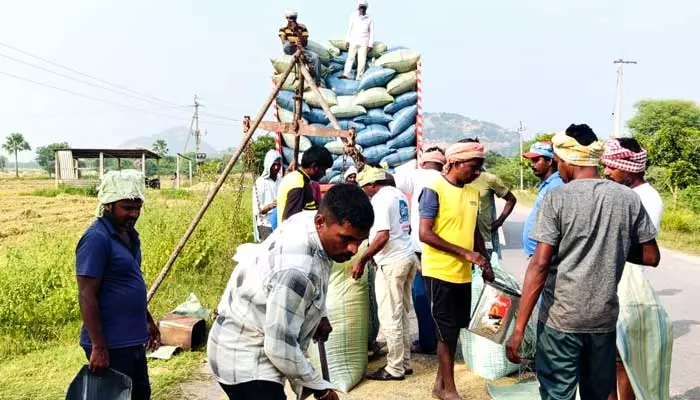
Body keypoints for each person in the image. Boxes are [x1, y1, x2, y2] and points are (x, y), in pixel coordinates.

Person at [505, 124, 661, 400]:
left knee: (557, 394)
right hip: (602, 320)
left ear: (567, 161)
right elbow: (651, 256)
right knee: (598, 394)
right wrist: (613, 246)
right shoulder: (627, 198)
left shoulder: (557, 197)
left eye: (558, 162)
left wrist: (519, 328)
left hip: (561, 321)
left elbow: (539, 266)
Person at [207, 184, 374, 400]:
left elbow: (320, 269)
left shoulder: (307, 222)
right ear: (320, 222)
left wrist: (320, 316)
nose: (353, 249)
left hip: (246, 338)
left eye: (359, 241)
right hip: (244, 357)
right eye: (346, 239)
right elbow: (279, 346)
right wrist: (320, 387)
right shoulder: (297, 271)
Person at [418, 140, 494, 400]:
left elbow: (473, 232)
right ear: (456, 163)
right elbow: (425, 234)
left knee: (452, 333)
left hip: (463, 273)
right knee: (444, 332)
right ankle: (449, 390)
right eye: (474, 167)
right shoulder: (434, 188)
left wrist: (484, 261)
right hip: (439, 272)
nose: (477, 173)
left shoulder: (473, 193)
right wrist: (466, 254)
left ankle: (440, 386)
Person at [75, 170, 161, 400]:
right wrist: (99, 346)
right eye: (126, 207)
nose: (133, 214)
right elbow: (86, 295)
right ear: (108, 205)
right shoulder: (97, 238)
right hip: (111, 343)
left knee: (140, 394)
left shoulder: (130, 236)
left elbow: (127, 284)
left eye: (137, 207)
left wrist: (147, 319)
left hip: (133, 338)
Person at [602, 137, 665, 400]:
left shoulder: (645, 198)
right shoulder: (624, 193)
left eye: (612, 167)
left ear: (629, 167)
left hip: (627, 285)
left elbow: (643, 250)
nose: (606, 172)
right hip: (612, 280)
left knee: (621, 360)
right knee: (606, 358)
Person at [351, 167, 420, 381]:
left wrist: (362, 259)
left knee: (390, 315)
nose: (365, 193)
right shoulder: (398, 194)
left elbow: (382, 235)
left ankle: (394, 368)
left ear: (372, 185)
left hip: (392, 263)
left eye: (365, 188)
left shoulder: (380, 199)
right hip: (407, 257)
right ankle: (404, 362)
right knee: (402, 313)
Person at [393, 147, 446, 355]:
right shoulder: (446, 179)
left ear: (423, 163)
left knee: (421, 297)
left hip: (420, 248)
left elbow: (390, 181)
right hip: (443, 248)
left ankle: (427, 341)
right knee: (441, 298)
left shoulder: (417, 175)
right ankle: (442, 339)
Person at [467, 139, 517, 260]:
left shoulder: (489, 179)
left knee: (486, 272)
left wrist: (499, 222)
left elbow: (511, 199)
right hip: (462, 239)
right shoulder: (454, 180)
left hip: (484, 238)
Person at [521, 141, 564, 258]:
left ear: (549, 161)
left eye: (536, 160)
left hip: (543, 256)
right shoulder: (547, 184)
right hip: (536, 254)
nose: (532, 164)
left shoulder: (556, 185)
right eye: (532, 161)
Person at [277, 145, 333, 226]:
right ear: (314, 166)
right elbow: (290, 221)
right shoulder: (298, 184)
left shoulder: (295, 177)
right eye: (323, 169)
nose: (324, 174)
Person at [279, 9, 322, 87]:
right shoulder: (283, 29)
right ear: (287, 18)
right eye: (290, 18)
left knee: (316, 57)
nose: (292, 20)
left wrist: (297, 33)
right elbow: (283, 41)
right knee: (287, 46)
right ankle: (304, 60)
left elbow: (305, 42)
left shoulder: (302, 27)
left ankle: (317, 81)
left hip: (301, 49)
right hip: (291, 49)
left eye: (294, 18)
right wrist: (293, 42)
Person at [252, 150, 282, 242]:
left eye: (278, 164)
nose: (276, 167)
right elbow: (257, 210)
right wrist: (271, 205)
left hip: (279, 223)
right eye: (274, 165)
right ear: (268, 165)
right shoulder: (261, 182)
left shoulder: (280, 180)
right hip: (265, 224)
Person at [341, 0, 374, 81]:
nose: (362, 9)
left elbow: (372, 32)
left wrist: (370, 45)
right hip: (353, 41)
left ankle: (359, 77)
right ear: (358, 8)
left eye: (363, 8)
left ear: (366, 9)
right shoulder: (353, 16)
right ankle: (346, 74)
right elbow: (349, 29)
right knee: (350, 58)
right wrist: (347, 41)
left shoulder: (369, 19)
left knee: (362, 61)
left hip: (364, 43)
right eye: (360, 8)